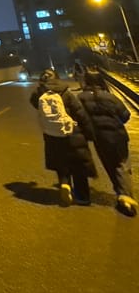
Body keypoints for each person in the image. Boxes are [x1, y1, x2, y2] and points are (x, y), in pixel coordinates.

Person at [30, 68, 97, 206]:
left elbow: (33, 102)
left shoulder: (40, 94)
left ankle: (65, 184)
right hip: (73, 133)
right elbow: (80, 113)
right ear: (57, 78)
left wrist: (41, 87)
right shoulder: (66, 92)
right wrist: (89, 132)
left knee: (61, 163)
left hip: (53, 134)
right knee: (78, 166)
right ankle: (82, 197)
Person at [78, 72, 137, 217]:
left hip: (99, 138)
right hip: (118, 136)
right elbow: (125, 115)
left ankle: (120, 193)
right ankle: (125, 196)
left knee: (109, 165)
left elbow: (80, 117)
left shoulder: (81, 98)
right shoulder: (110, 97)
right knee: (122, 165)